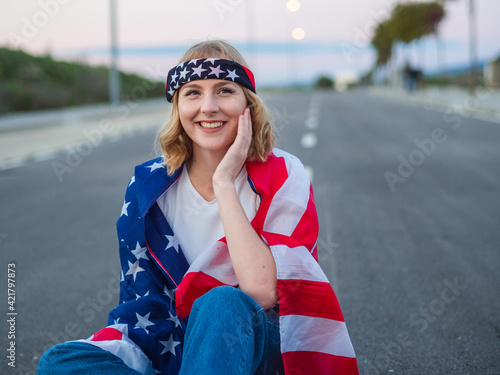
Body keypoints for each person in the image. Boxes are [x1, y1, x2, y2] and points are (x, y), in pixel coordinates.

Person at [37, 40, 359, 375]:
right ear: (178, 107)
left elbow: (263, 293)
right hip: (172, 342)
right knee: (60, 362)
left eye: (224, 90)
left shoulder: (283, 174)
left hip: (259, 347)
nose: (208, 107)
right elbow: (141, 304)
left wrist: (224, 184)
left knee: (220, 303)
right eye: (192, 92)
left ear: (247, 103)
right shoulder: (148, 187)